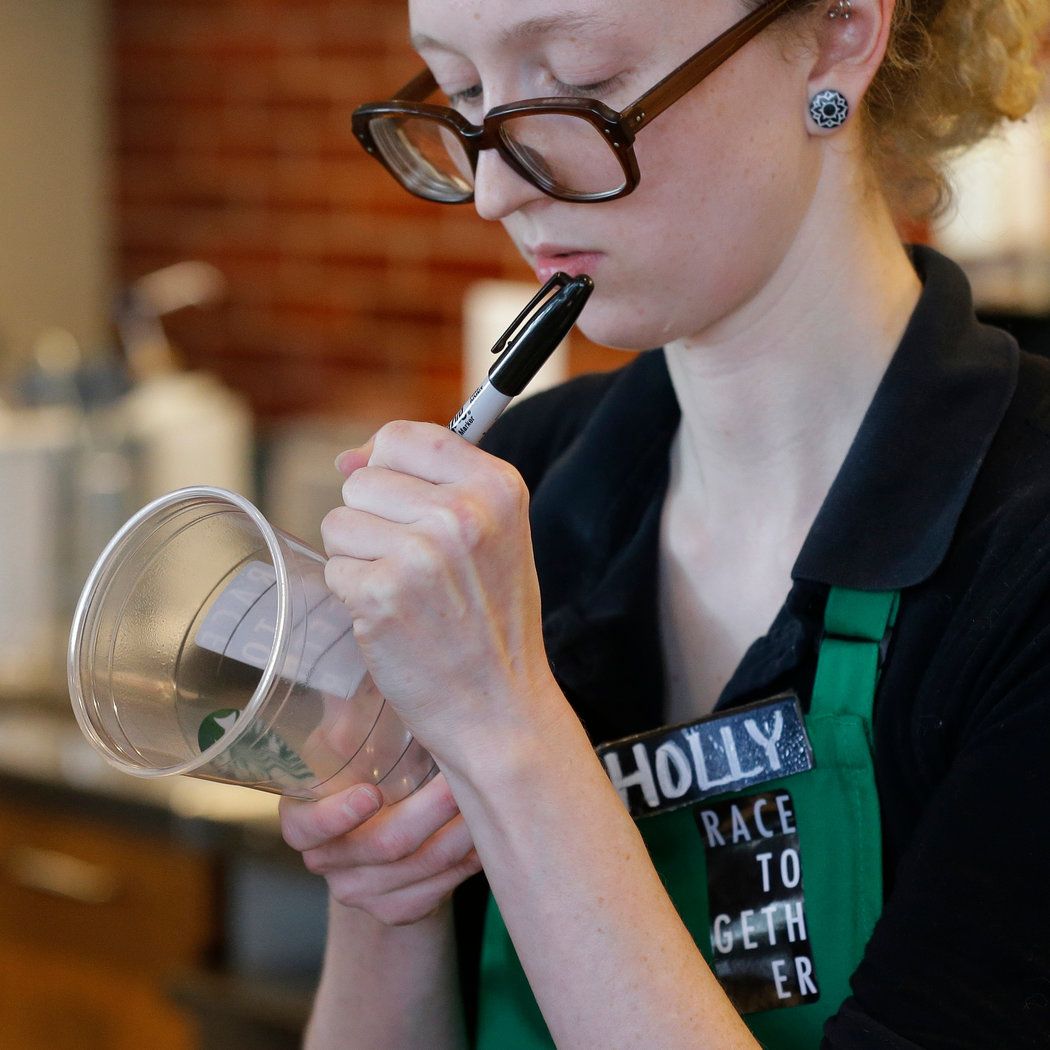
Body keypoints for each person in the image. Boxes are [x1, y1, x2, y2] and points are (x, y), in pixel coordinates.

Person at [278, 0, 1050, 1045]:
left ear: (837, 35)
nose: (496, 191)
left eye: (578, 84)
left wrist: (503, 727)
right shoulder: (524, 484)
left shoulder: (1025, 553)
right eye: (462, 93)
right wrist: (389, 876)